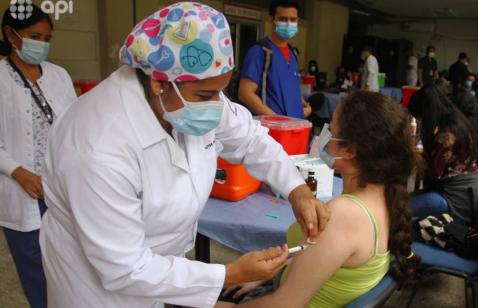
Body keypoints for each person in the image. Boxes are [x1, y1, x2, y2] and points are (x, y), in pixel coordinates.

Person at [39, 3, 329, 307]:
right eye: (206, 96)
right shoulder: (97, 146)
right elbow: (125, 268)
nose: (217, 106)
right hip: (97, 287)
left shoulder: (186, 95)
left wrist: (297, 190)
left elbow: (252, 139)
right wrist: (228, 274)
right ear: (158, 82)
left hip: (159, 265)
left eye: (221, 91)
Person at [218, 92, 420, 307]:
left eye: (331, 130)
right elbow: (324, 260)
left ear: (351, 150)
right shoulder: (385, 194)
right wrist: (271, 275)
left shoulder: (344, 214)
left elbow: (284, 304)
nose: (325, 134)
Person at [0, 5, 76, 307]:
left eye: (47, 38)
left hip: (61, 191)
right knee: (37, 273)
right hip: (23, 194)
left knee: (71, 269)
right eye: (34, 36)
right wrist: (18, 171)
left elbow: (74, 128)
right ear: (11, 35)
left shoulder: (59, 75)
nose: (41, 44)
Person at [408, 85, 478, 225]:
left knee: (399, 209)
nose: (419, 122)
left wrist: (411, 155)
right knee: (406, 202)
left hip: (456, 201)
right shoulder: (458, 122)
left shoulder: (446, 135)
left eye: (419, 118)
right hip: (468, 195)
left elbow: (432, 173)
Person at [238, 0, 311, 118]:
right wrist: (277, 120)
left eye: (293, 20)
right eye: (283, 19)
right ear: (271, 20)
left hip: (295, 127)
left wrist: (305, 105)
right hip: (272, 130)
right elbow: (245, 94)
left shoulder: (293, 53)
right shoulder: (260, 51)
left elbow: (290, 88)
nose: (288, 24)